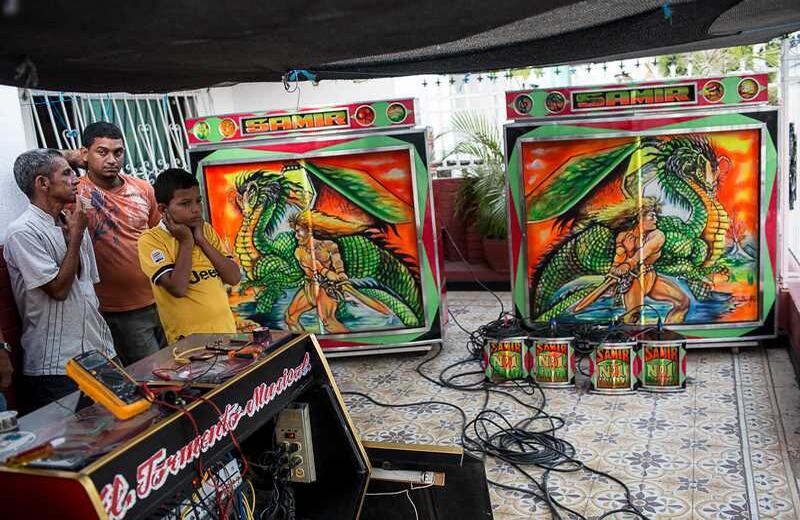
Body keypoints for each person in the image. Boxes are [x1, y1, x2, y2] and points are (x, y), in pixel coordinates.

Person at [3, 149, 116, 412]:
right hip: (57, 367)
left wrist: (76, 233)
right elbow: (58, 290)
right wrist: (75, 237)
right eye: (67, 173)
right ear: (43, 183)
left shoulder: (73, 221)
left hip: (100, 352)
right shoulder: (22, 232)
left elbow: (87, 287)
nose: (76, 179)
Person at [62, 122, 165, 365]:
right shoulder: (75, 193)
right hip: (119, 309)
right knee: (152, 373)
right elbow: (40, 161)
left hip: (161, 297)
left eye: (118, 152)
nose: (112, 160)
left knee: (177, 367)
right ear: (84, 153)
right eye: (102, 152)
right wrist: (73, 158)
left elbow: (160, 237)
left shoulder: (142, 189)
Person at [137, 168, 241, 344]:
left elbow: (233, 277)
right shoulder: (151, 240)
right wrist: (186, 242)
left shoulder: (205, 230)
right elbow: (178, 288)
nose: (195, 209)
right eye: (185, 204)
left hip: (227, 333)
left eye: (198, 201)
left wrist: (201, 240)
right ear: (163, 209)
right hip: (189, 345)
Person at [607, 197, 690, 324]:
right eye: (652, 216)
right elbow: (618, 259)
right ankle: (619, 331)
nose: (656, 220)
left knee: (683, 302)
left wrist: (629, 262)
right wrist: (614, 270)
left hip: (650, 276)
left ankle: (668, 331)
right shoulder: (623, 236)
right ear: (640, 218)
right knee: (633, 315)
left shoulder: (658, 235)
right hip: (632, 279)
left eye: (655, 216)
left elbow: (644, 252)